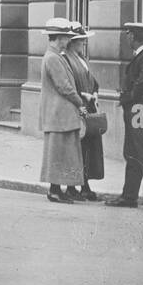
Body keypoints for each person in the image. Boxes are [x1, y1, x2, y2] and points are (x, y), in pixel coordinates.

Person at [107, 21, 143, 213]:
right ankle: (129, 196)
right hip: (138, 109)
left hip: (140, 110)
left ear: (133, 36)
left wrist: (129, 97)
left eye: (128, 34)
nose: (127, 37)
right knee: (133, 152)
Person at [39, 17, 86, 204]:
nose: (68, 41)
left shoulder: (56, 56)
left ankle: (59, 189)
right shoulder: (53, 58)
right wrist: (79, 101)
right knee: (57, 154)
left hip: (61, 115)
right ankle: (54, 190)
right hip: (58, 115)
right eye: (66, 37)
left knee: (63, 154)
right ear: (58, 38)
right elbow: (64, 86)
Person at [62, 21, 101, 201]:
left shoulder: (81, 58)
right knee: (76, 148)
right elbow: (67, 85)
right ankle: (73, 186)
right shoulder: (66, 58)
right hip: (77, 108)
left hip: (88, 106)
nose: (83, 43)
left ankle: (84, 185)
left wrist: (94, 92)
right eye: (80, 40)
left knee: (86, 149)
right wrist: (83, 96)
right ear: (72, 41)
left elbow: (92, 80)